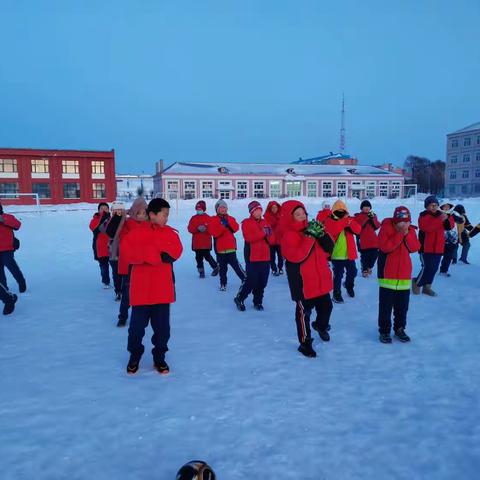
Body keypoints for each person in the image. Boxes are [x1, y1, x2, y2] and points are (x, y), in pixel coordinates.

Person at [121, 198, 183, 374]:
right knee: (136, 330)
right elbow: (127, 253)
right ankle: (134, 356)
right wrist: (155, 255)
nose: (166, 218)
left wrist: (156, 254)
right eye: (164, 214)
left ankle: (159, 357)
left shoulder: (170, 233)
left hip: (162, 291)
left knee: (163, 330)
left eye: (167, 215)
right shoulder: (136, 233)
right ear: (152, 214)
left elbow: (176, 250)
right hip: (141, 291)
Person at [281, 200, 334, 357]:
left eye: (303, 212)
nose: (302, 216)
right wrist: (309, 237)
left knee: (327, 307)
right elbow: (298, 257)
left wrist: (322, 234)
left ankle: (320, 326)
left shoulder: (310, 229)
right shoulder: (288, 236)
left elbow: (329, 249)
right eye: (297, 214)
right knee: (304, 315)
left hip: (320, 281)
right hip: (303, 284)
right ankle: (305, 343)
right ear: (289, 218)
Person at [377, 206, 420, 343]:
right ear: (395, 221)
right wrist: (400, 233)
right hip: (387, 275)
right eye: (401, 221)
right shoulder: (386, 227)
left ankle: (400, 328)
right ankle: (384, 331)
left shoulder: (411, 230)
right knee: (385, 307)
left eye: (406, 221)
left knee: (402, 307)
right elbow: (385, 247)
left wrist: (407, 233)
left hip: (403, 275)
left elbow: (415, 247)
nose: (404, 224)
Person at [108, 197, 149, 327]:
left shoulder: (149, 224)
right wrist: (118, 217)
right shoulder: (126, 223)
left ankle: (140, 317)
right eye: (139, 213)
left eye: (144, 213)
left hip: (144, 264)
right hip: (130, 264)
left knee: (143, 293)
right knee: (127, 292)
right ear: (134, 211)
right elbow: (119, 236)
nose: (142, 216)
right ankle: (123, 316)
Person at [234, 201, 275, 311]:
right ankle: (240, 298)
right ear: (251, 212)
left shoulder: (265, 222)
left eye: (259, 210)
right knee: (251, 280)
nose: (258, 212)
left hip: (265, 256)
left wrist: (269, 234)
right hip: (252, 256)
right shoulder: (246, 223)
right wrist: (263, 233)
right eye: (255, 210)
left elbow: (272, 240)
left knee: (262, 281)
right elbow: (249, 238)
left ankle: (258, 302)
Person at [413, 195, 454, 296]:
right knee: (427, 267)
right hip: (426, 248)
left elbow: (450, 226)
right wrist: (440, 219)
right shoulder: (423, 216)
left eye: (436, 205)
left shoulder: (441, 215)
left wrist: (447, 218)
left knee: (434, 269)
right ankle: (417, 283)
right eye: (431, 205)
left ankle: (427, 287)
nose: (434, 207)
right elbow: (427, 227)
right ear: (426, 206)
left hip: (438, 248)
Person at [323, 199, 361, 303]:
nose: (341, 213)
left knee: (353, 272)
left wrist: (350, 222)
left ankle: (349, 285)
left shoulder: (349, 220)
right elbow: (332, 230)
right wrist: (345, 221)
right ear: (334, 211)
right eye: (338, 211)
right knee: (338, 275)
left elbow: (358, 230)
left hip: (349, 254)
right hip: (337, 254)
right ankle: (337, 294)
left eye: (343, 211)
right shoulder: (330, 220)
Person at [208, 200, 245, 291]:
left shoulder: (231, 218)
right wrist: (222, 227)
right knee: (222, 269)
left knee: (237, 267)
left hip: (231, 248)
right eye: (221, 207)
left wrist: (228, 223)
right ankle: (223, 284)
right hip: (220, 250)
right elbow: (214, 233)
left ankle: (245, 279)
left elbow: (236, 228)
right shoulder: (213, 219)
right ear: (217, 209)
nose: (223, 209)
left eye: (224, 207)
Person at [187, 200, 218, 278]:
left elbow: (213, 229)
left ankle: (215, 267)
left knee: (207, 256)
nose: (199, 210)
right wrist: (197, 229)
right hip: (197, 243)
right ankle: (201, 271)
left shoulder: (208, 218)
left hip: (206, 243)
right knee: (198, 257)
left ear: (204, 209)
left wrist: (206, 229)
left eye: (200, 209)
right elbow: (190, 229)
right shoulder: (193, 218)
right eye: (197, 209)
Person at [0, 202, 26, 293]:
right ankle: (4, 290)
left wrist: (3, 220)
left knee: (12, 268)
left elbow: (17, 225)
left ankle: (21, 282)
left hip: (7, 249)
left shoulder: (7, 217)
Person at [354, 200, 381, 277]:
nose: (366, 208)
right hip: (363, 240)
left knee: (374, 255)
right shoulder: (358, 216)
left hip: (373, 240)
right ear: (361, 208)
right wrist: (366, 218)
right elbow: (359, 227)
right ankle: (364, 269)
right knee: (364, 256)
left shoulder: (373, 215)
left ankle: (369, 267)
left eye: (368, 207)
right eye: (364, 207)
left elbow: (377, 226)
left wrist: (372, 218)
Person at [106, 201, 126, 300]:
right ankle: (118, 291)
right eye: (115, 210)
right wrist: (116, 219)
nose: (117, 212)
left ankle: (125, 290)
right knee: (116, 272)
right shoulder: (109, 221)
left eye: (120, 210)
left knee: (125, 273)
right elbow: (109, 232)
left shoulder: (127, 222)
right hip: (113, 252)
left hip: (125, 251)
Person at [89, 202, 112, 288]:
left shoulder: (111, 219)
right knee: (103, 266)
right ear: (98, 210)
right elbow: (94, 228)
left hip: (111, 247)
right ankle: (105, 282)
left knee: (115, 266)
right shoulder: (95, 220)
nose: (104, 210)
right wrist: (102, 219)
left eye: (106, 208)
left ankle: (117, 282)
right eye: (102, 209)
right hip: (100, 248)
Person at [439, 202, 462, 277]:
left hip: (452, 240)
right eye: (445, 206)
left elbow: (460, 221)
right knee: (436, 256)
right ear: (441, 207)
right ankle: (429, 269)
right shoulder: (438, 214)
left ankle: (443, 271)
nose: (446, 208)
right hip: (441, 239)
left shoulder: (453, 214)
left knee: (448, 256)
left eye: (448, 206)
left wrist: (457, 217)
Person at [264, 201, 284, 275]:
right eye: (272, 208)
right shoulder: (267, 217)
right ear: (270, 209)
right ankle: (274, 269)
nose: (274, 209)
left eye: (275, 207)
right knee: (271, 256)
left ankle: (280, 268)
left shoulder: (282, 216)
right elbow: (266, 229)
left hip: (280, 240)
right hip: (271, 241)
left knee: (281, 256)